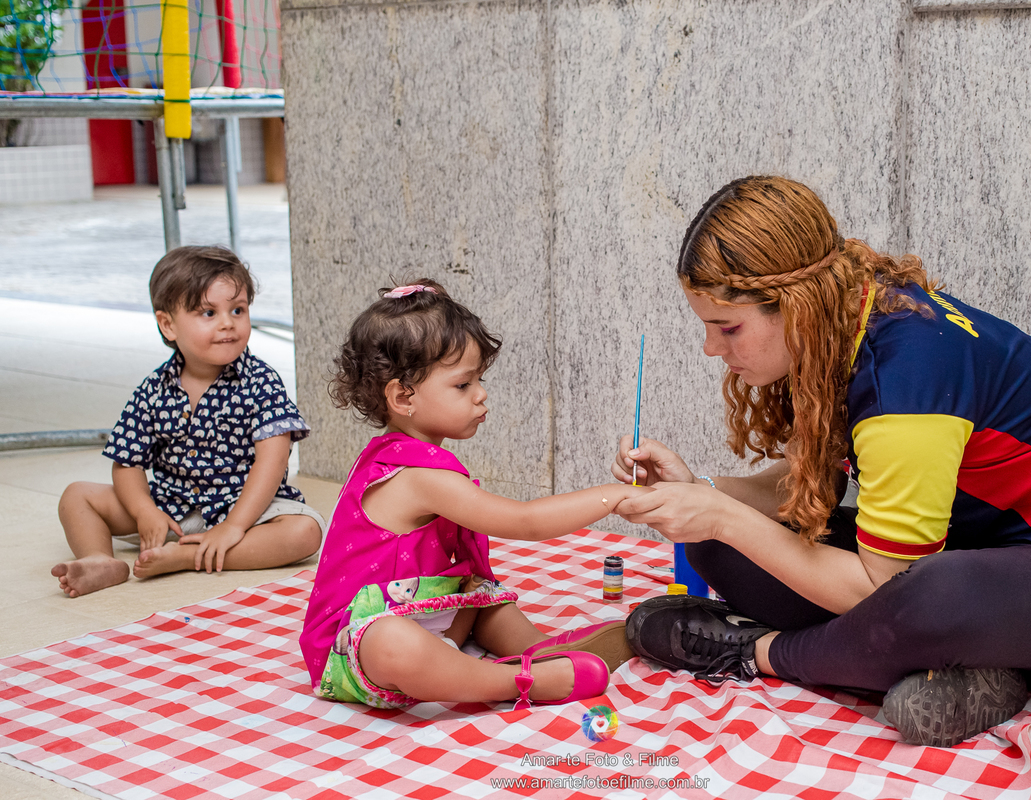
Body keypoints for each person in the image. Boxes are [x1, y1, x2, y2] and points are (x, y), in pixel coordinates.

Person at [611, 176, 1031, 747]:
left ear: (794, 307)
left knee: (928, 597)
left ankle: (759, 652)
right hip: (964, 551)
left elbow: (882, 588)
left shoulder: (907, 381)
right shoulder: (839, 324)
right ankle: (971, 667)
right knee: (715, 542)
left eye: (727, 327)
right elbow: (811, 483)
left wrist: (721, 514)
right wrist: (702, 490)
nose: (711, 349)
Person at [299, 281, 646, 711]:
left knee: (481, 596)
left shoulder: (408, 456)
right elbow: (525, 521)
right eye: (463, 384)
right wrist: (611, 497)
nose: (481, 393)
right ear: (403, 396)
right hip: (354, 648)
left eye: (479, 379)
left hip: (427, 611)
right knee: (392, 643)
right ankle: (515, 680)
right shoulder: (416, 475)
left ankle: (543, 649)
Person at [53, 246, 325, 597]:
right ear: (168, 325)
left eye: (238, 310)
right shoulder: (154, 388)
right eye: (208, 313)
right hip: (171, 506)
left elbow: (272, 461)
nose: (228, 322)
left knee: (305, 532)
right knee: (77, 496)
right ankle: (100, 559)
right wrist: (145, 511)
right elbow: (127, 463)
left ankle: (188, 556)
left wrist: (233, 525)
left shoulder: (260, 380)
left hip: (245, 504)